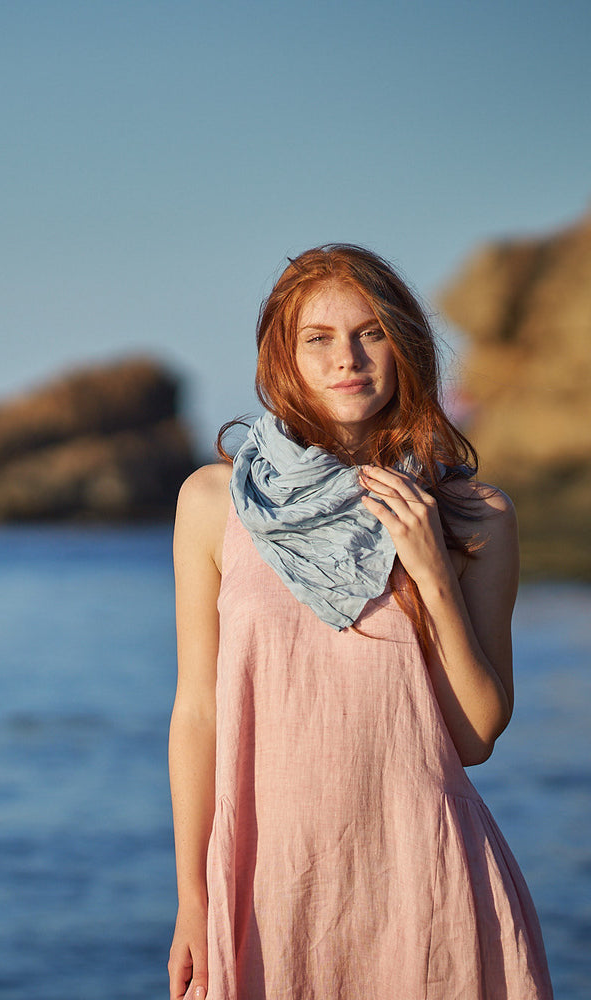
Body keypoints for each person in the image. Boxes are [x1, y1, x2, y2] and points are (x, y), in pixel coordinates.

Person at [167, 245, 553, 1000]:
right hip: (269, 882)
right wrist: (192, 896)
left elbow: (474, 739)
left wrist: (433, 574)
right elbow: (198, 712)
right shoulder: (215, 503)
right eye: (319, 337)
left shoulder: (476, 517)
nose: (347, 357)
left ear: (402, 344)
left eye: (370, 332)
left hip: (425, 878)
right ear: (285, 353)